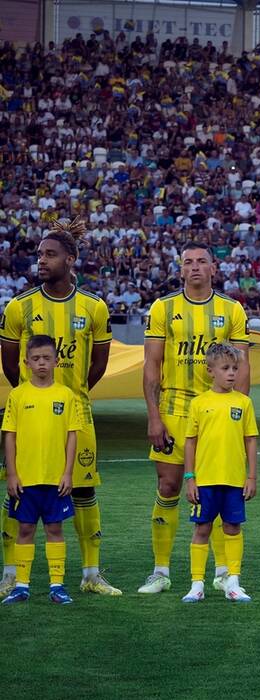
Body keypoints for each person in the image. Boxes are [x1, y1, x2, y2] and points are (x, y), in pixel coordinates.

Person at [0, 220, 118, 598]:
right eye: (39, 255)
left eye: (50, 254)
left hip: (76, 414)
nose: (41, 261)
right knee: (17, 491)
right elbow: (8, 363)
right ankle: (9, 575)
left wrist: (74, 393)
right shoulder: (19, 306)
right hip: (29, 414)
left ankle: (91, 574)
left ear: (71, 259)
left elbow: (98, 365)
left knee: (82, 493)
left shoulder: (94, 307)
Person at [139, 243, 250, 594]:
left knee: (217, 488)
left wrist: (237, 412)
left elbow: (242, 366)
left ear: (213, 268)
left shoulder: (231, 309)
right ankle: (160, 571)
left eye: (202, 261)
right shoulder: (163, 307)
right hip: (174, 408)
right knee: (169, 487)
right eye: (188, 262)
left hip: (218, 411)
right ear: (180, 269)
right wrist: (154, 417)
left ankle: (220, 572)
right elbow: (151, 365)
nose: (196, 267)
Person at [1, 335, 82, 605]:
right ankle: (21, 586)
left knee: (54, 529)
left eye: (47, 358)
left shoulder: (66, 395)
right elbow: (9, 436)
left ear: (57, 361)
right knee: (24, 529)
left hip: (55, 479)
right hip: (25, 479)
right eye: (35, 359)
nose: (42, 363)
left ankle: (56, 585)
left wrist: (68, 473)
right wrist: (12, 474)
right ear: (26, 363)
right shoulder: (18, 395)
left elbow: (72, 436)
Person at [180, 344, 258, 603]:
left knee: (233, 527)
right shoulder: (199, 403)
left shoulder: (244, 403)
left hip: (234, 479)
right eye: (225, 368)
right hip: (205, 480)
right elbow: (190, 441)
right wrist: (190, 478)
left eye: (235, 368)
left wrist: (251, 476)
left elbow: (250, 440)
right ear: (210, 370)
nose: (232, 373)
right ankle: (196, 584)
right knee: (202, 528)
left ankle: (233, 582)